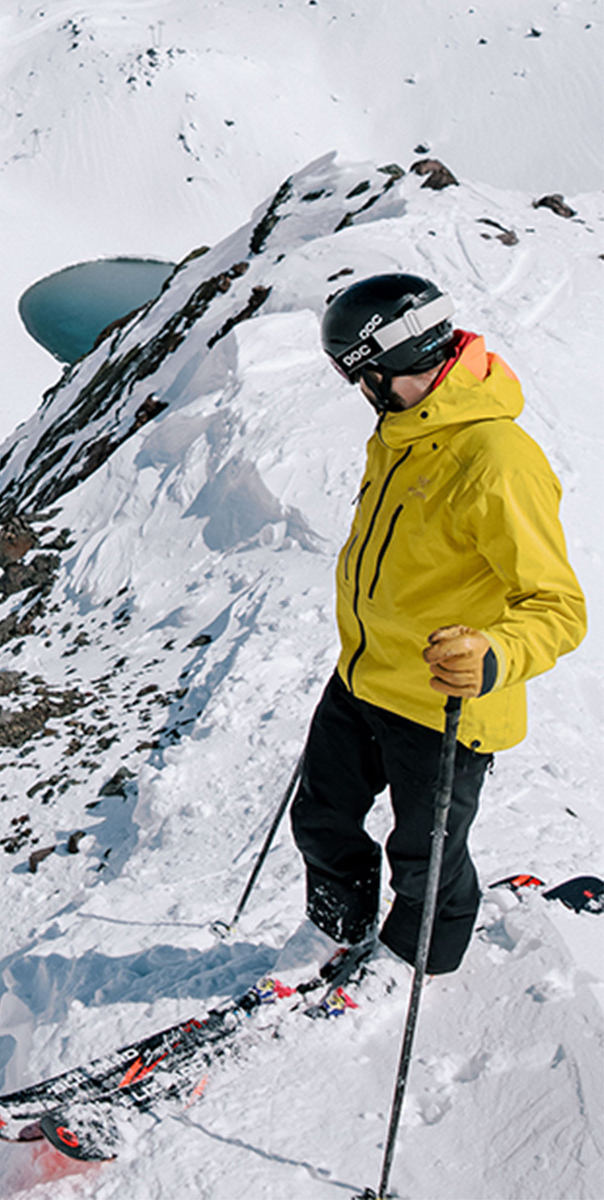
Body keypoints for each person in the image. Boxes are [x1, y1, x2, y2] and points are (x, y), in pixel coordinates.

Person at [290, 272, 585, 975]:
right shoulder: (401, 431)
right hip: (365, 675)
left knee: (426, 861)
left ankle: (412, 964)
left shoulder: (495, 460)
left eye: (358, 376)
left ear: (383, 366)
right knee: (321, 819)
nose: (359, 392)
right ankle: (336, 929)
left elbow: (558, 607)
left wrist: (493, 654)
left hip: (443, 701)